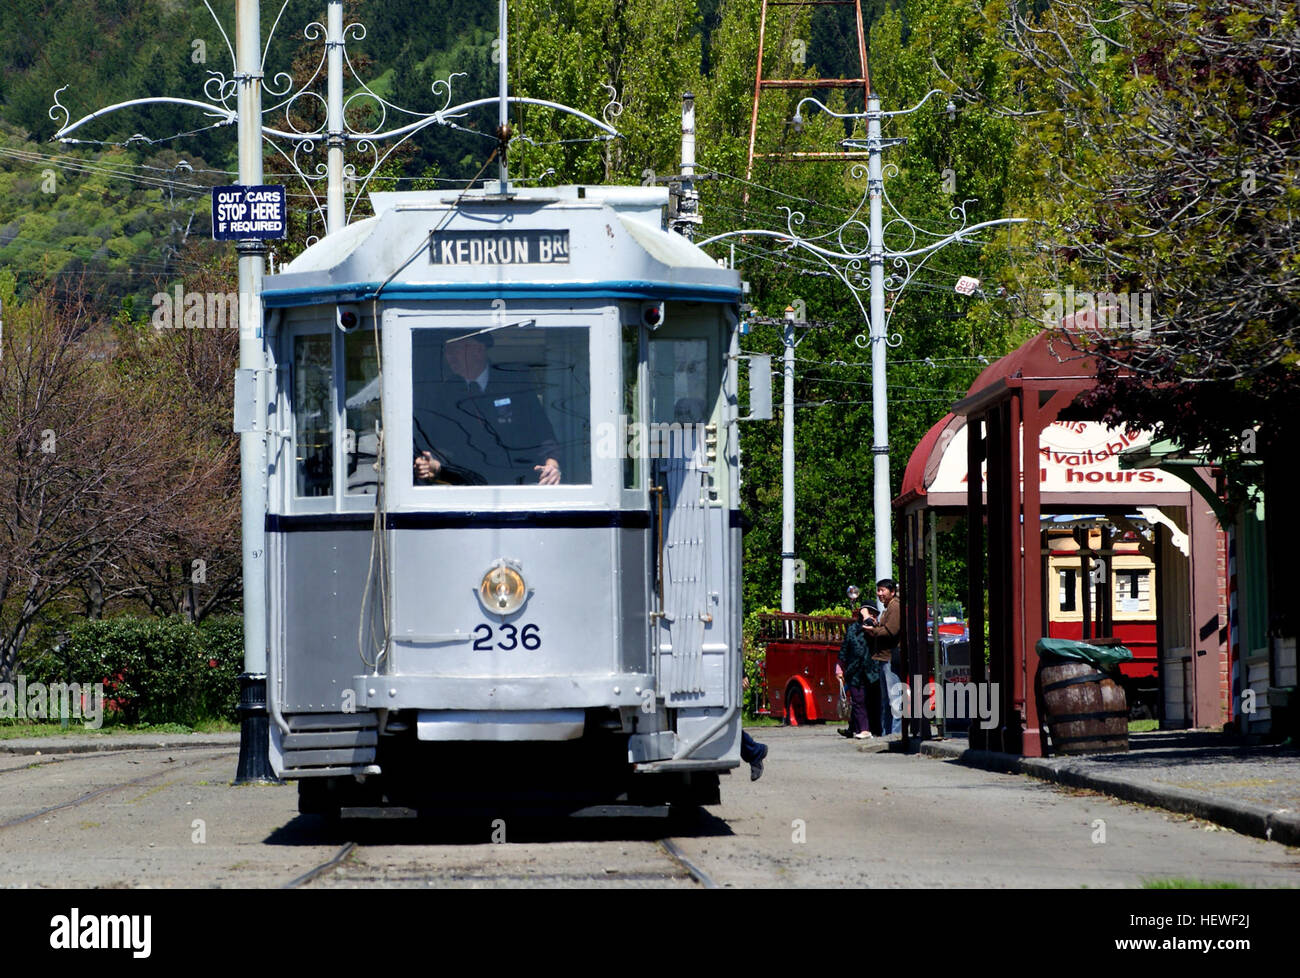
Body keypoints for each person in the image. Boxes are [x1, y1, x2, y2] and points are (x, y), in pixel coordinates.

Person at [413, 331, 561, 486]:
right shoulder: (445, 393)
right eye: (448, 350)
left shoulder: (513, 383)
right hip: (470, 485)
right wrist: (435, 463)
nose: (450, 356)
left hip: (518, 482)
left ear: (478, 350)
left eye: (456, 349)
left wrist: (552, 464)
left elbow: (542, 432)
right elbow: (440, 441)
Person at [838, 605, 884, 739]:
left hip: (873, 670)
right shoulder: (853, 629)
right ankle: (863, 729)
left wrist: (868, 620)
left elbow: (874, 632)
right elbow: (844, 649)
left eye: (875, 614)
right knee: (858, 701)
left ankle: (874, 729)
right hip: (855, 670)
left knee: (874, 701)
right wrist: (839, 669)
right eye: (870, 613)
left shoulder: (875, 628)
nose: (873, 617)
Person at [865, 579, 903, 736]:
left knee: (894, 698)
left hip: (890, 657)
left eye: (883, 590)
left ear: (892, 592)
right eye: (878, 590)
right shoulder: (889, 608)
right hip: (883, 657)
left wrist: (873, 630)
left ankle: (895, 733)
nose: (879, 594)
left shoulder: (895, 606)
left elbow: (891, 631)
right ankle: (888, 733)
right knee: (886, 699)